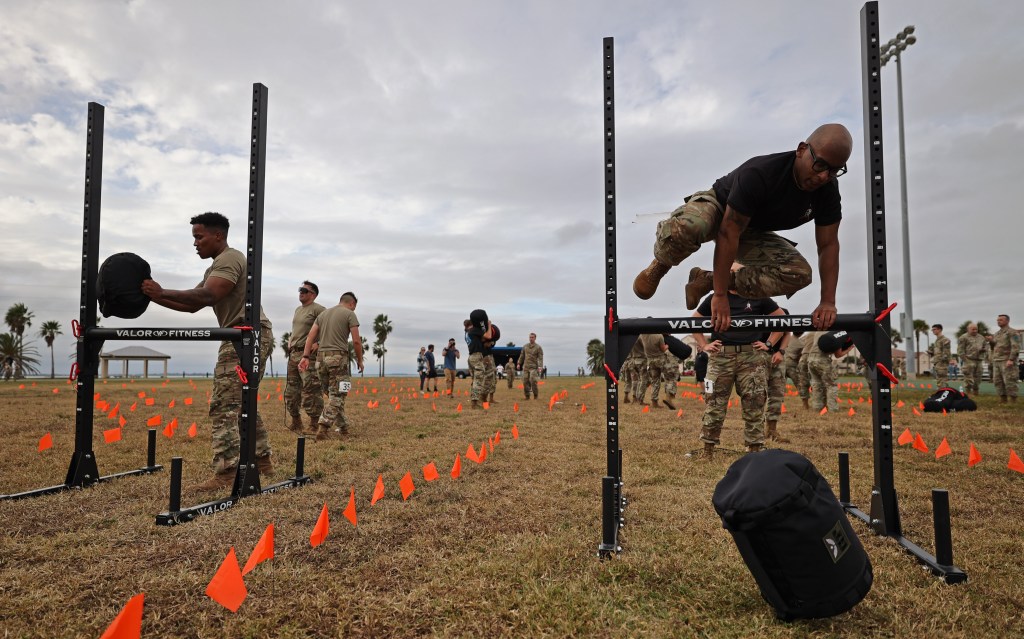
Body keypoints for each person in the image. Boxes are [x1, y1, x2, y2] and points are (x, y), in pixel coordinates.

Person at [633, 124, 853, 333]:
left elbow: (828, 245)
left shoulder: (828, 192)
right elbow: (728, 232)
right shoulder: (761, 173)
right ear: (801, 150)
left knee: (799, 274)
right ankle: (661, 264)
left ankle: (705, 279)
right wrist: (720, 296)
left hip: (750, 229)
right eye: (820, 165)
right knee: (692, 225)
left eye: (834, 170)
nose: (824, 176)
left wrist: (827, 302)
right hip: (719, 209)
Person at [141, 211, 275, 491]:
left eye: (199, 237)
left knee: (225, 404)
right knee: (241, 401)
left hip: (245, 336)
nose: (195, 244)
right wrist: (156, 297)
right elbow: (192, 304)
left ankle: (226, 473)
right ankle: (262, 462)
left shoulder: (230, 258)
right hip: (242, 335)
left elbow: (208, 296)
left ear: (218, 235)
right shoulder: (214, 267)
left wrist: (162, 291)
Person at [691, 264, 785, 459]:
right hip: (721, 357)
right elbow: (694, 321)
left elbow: (782, 320)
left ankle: (754, 450)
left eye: (738, 273)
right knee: (714, 403)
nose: (734, 276)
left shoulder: (758, 296)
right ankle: (708, 450)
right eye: (730, 273)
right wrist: (703, 345)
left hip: (752, 357)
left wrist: (769, 343)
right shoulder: (716, 298)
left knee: (755, 402)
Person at [299, 292, 363, 438]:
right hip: (338, 359)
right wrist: (360, 360)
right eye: (354, 307)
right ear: (352, 303)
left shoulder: (323, 314)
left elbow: (310, 336)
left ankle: (344, 427)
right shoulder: (349, 314)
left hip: (320, 360)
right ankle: (323, 427)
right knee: (338, 395)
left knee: (333, 395)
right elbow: (356, 341)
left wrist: (306, 356)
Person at [285, 281, 325, 435]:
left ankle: (314, 424)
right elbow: (296, 329)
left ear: (313, 294)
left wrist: (319, 343)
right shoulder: (298, 310)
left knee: (311, 389)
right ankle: (296, 421)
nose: (300, 292)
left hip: (308, 356)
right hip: (293, 354)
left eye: (304, 290)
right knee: (291, 390)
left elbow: (329, 326)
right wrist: (290, 339)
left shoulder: (319, 309)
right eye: (299, 289)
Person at [804, 331, 855, 413]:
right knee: (831, 385)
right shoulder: (835, 334)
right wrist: (849, 349)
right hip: (822, 360)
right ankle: (833, 409)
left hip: (811, 360)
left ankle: (817, 408)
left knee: (816, 385)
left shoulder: (819, 331)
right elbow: (838, 355)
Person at [986, 314, 1021, 403]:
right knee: (998, 381)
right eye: (997, 320)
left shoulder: (1013, 332)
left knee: (1010, 380)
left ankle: (1013, 400)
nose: (998, 321)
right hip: (997, 360)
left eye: (1001, 320)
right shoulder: (997, 333)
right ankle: (1003, 399)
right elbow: (995, 346)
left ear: (1007, 321)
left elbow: (1015, 347)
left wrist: (1011, 359)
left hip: (1007, 360)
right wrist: (991, 341)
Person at [465, 313, 493, 409]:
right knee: (478, 380)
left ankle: (474, 401)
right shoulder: (475, 330)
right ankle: (474, 403)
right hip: (476, 357)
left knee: (475, 380)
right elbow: (488, 336)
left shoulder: (469, 333)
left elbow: (483, 341)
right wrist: (488, 324)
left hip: (471, 357)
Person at [784, 331, 811, 409]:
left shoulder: (787, 338)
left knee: (779, 385)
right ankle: (805, 404)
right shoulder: (801, 343)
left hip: (781, 362)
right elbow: (803, 355)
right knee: (800, 384)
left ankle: (777, 405)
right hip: (791, 364)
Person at [957, 323, 986, 394]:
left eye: (976, 329)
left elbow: (985, 346)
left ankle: (976, 391)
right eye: (973, 329)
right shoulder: (963, 337)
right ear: (968, 329)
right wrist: (965, 360)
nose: (975, 331)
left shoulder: (981, 337)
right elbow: (960, 350)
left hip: (979, 360)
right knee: (968, 378)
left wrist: (983, 349)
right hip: (969, 359)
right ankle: (968, 392)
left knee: (978, 377)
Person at [518, 332, 544, 400]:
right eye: (530, 337)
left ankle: (535, 395)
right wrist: (519, 363)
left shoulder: (538, 347)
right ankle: (527, 396)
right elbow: (522, 355)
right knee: (525, 381)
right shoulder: (525, 346)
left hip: (534, 367)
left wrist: (540, 366)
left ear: (535, 338)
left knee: (533, 380)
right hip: (526, 367)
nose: (531, 339)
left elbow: (540, 358)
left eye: (532, 337)